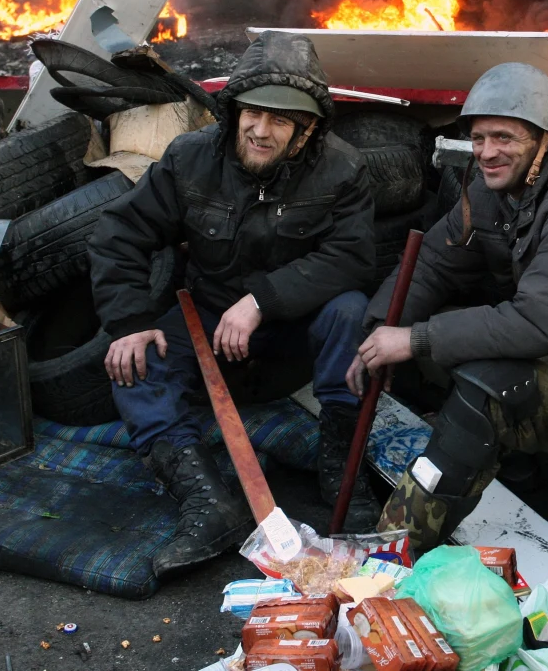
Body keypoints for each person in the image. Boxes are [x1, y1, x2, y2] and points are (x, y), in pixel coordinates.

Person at [349, 62, 548, 551]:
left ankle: (394, 549)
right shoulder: (497, 186)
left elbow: (538, 322)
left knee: (484, 388)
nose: (486, 153)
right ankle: (514, 464)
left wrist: (414, 338)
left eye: (504, 137)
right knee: (419, 347)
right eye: (478, 138)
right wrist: (381, 329)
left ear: (546, 139)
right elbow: (434, 262)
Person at [88, 31, 378, 578]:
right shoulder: (189, 159)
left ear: (308, 128)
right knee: (134, 362)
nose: (261, 130)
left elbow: (354, 258)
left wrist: (262, 301)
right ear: (234, 110)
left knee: (349, 308)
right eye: (252, 113)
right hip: (209, 341)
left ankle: (341, 464)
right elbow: (118, 233)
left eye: (281, 119)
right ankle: (209, 503)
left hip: (291, 344)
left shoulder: (343, 169)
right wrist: (128, 322)